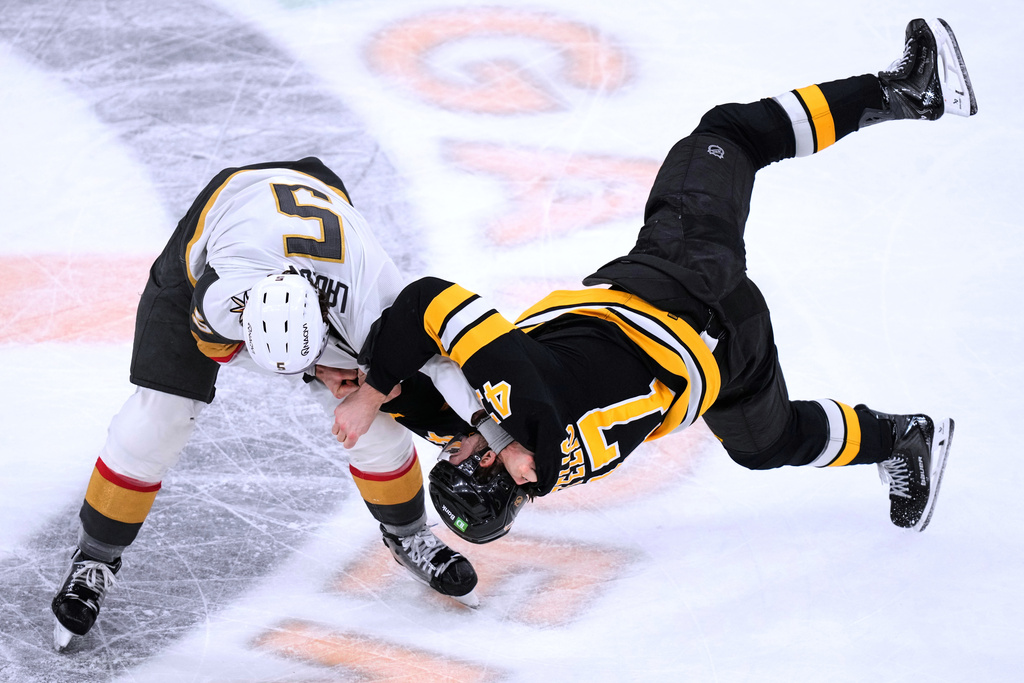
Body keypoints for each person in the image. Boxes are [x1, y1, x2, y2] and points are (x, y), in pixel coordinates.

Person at [332, 19, 972, 544]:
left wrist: (353, 381)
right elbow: (428, 300)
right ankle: (909, 90)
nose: (447, 452)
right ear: (497, 460)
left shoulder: (530, 455)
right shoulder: (521, 402)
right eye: (459, 461)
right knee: (729, 134)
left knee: (766, 443)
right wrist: (371, 392)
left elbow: (443, 412)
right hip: (686, 282)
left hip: (727, 364)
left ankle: (902, 438)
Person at [50, 157, 491, 651]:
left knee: (376, 423)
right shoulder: (218, 299)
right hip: (222, 218)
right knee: (159, 418)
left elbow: (440, 358)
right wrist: (316, 366)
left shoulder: (374, 299)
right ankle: (95, 556)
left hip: (320, 236)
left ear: (327, 323)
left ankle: (406, 533)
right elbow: (217, 347)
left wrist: (487, 425)